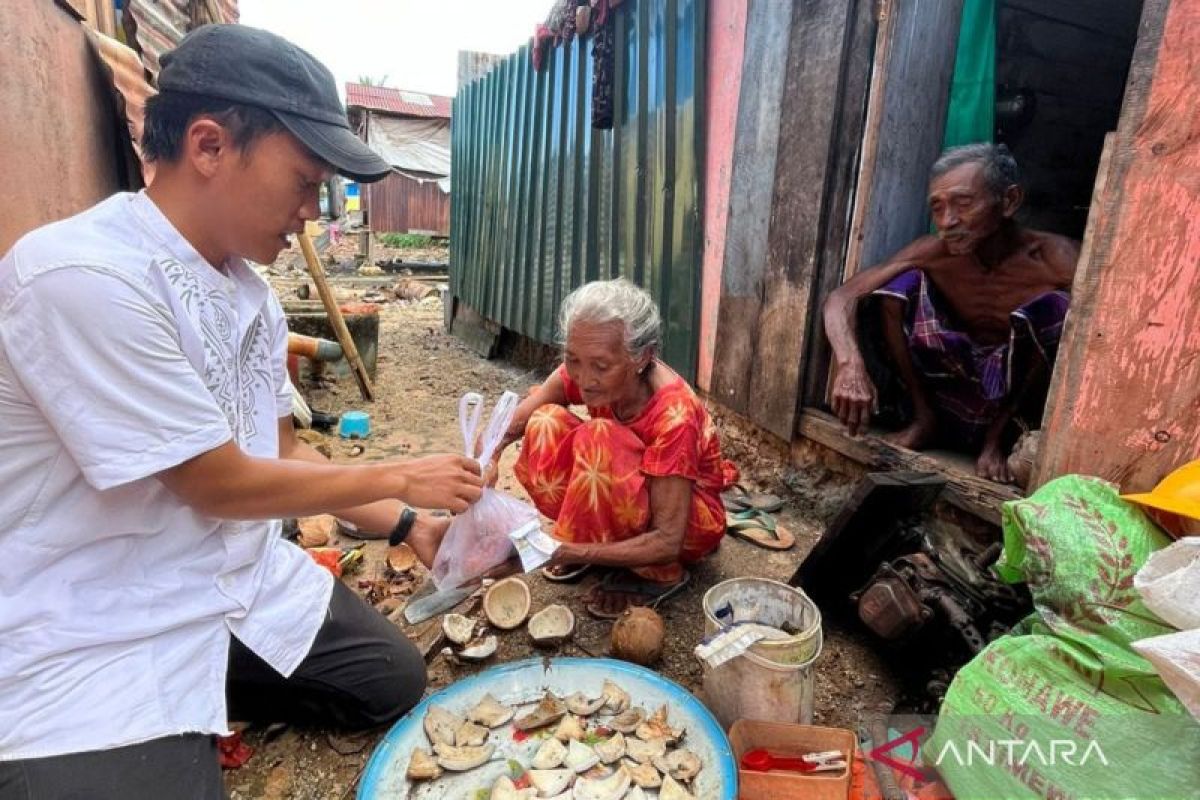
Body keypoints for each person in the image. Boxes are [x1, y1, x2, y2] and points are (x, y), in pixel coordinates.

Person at [0, 25, 483, 800]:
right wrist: (406, 474)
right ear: (209, 145)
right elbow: (216, 484)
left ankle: (204, 687)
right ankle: (147, 728)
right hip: (94, 613)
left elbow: (287, 455)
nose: (312, 211)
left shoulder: (247, 291)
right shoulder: (82, 274)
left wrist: (407, 523)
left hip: (228, 579)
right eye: (303, 181)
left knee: (390, 681)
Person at [823, 143, 1079, 482]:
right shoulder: (935, 252)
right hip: (952, 383)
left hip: (1015, 394)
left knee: (1060, 310)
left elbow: (1102, 331)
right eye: (937, 208)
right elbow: (842, 298)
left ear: (1009, 201)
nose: (948, 221)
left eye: (963, 203)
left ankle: (997, 438)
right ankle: (924, 418)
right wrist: (850, 364)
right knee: (899, 285)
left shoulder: (1056, 258)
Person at [485, 279, 731, 619]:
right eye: (573, 360)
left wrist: (559, 550)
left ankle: (658, 578)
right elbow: (520, 417)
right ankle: (591, 547)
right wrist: (487, 458)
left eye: (601, 367)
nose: (585, 379)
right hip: (627, 495)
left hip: (686, 522)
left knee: (598, 439)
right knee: (545, 423)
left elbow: (668, 539)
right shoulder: (590, 361)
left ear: (642, 358)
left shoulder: (675, 414)